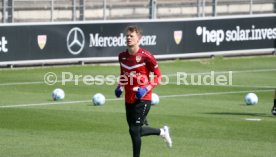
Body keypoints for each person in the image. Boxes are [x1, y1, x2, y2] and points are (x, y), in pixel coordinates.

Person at [114, 25, 172, 157]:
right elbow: (123, 74)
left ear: (138, 39)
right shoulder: (122, 56)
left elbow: (158, 76)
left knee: (134, 130)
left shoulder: (147, 57)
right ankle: (162, 132)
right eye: (127, 36)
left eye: (131, 36)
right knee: (134, 131)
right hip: (129, 98)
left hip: (143, 98)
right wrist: (119, 86)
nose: (128, 38)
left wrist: (146, 88)